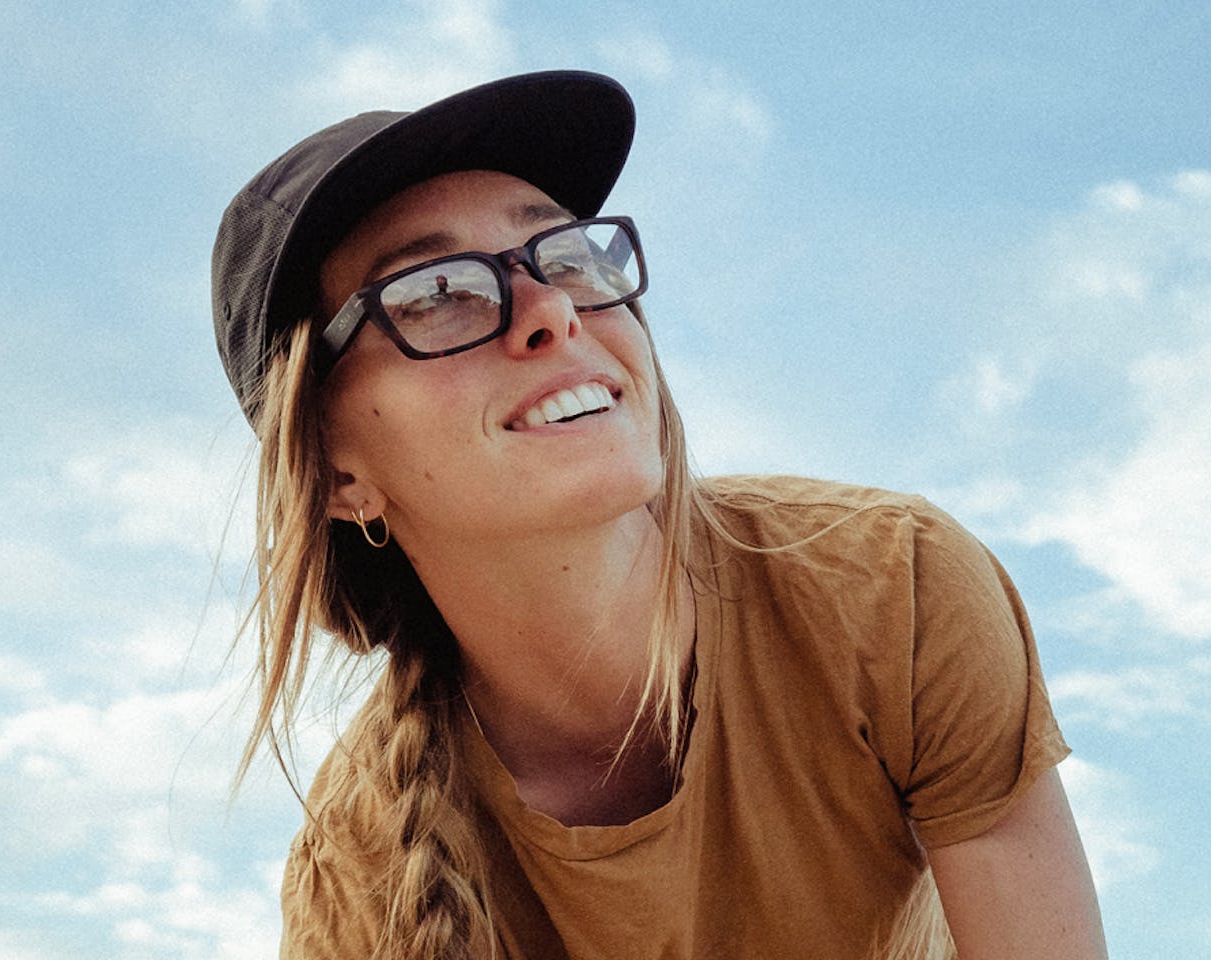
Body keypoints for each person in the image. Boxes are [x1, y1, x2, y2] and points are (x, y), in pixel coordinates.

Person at [211, 71, 1108, 960]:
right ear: (334, 472)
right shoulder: (358, 869)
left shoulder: (889, 589)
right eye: (436, 292)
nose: (552, 310)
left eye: (565, 256)